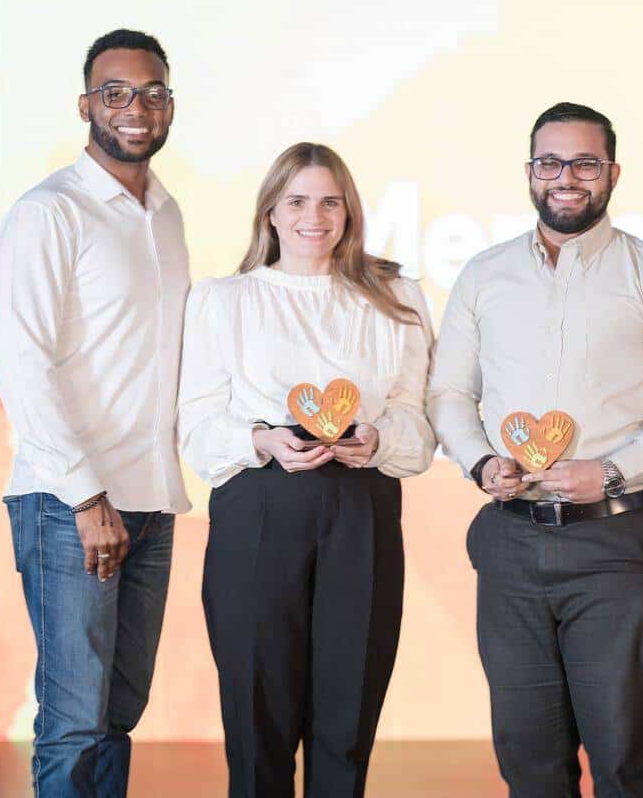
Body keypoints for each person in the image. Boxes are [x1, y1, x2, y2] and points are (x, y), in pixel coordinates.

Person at [428, 102, 643, 797]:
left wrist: (613, 472)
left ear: (611, 173)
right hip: (510, 544)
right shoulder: (483, 274)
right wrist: (480, 462)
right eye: (549, 163)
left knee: (626, 760)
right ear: (529, 173)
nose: (565, 178)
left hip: (618, 547)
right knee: (529, 764)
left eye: (583, 163)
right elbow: (448, 393)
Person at [178, 142, 435, 798]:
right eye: (296, 200)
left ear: (348, 212)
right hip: (258, 508)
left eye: (329, 201)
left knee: (346, 719)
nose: (313, 216)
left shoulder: (394, 296)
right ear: (269, 211)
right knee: (257, 719)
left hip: (362, 507)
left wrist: (376, 440)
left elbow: (416, 418)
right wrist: (262, 440)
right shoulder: (223, 300)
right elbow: (197, 425)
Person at [0, 28, 188, 797]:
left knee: (118, 712)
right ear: (86, 105)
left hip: (150, 498)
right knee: (74, 717)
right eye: (115, 93)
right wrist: (86, 496)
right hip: (68, 503)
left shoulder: (165, 214)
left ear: (169, 105)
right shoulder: (51, 212)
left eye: (151, 93)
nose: (135, 108)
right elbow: (25, 364)